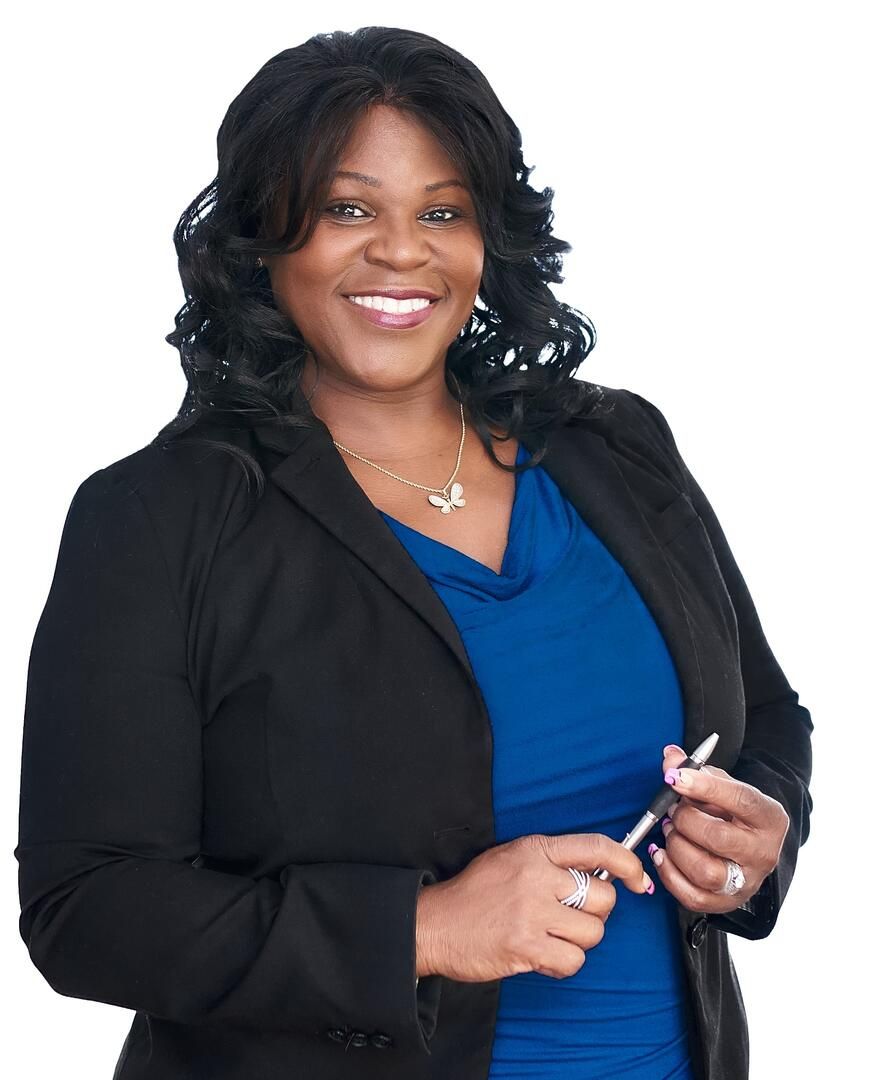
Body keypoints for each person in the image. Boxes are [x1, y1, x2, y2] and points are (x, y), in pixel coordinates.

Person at [14, 25, 813, 1080]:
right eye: (347, 209)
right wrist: (421, 931)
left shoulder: (614, 448)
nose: (401, 252)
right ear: (261, 238)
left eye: (442, 211)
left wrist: (756, 840)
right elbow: (86, 907)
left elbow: (764, 718)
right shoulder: (157, 519)